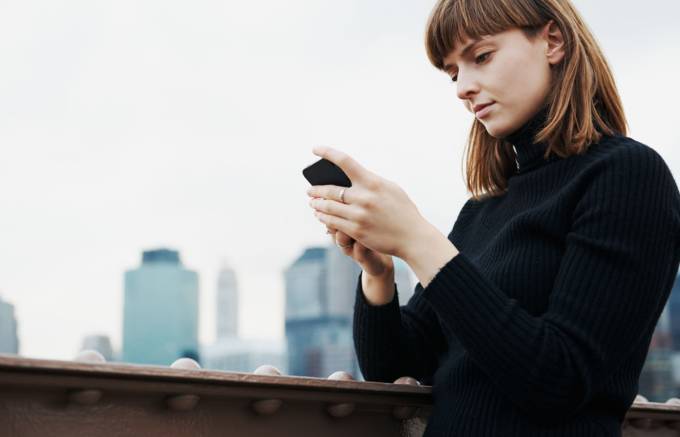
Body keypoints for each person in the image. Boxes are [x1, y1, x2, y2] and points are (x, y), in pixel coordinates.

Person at [305, 0, 680, 435]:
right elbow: (398, 368)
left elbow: (559, 381)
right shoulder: (482, 210)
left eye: (481, 57)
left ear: (552, 41)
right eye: (452, 73)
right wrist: (378, 271)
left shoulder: (628, 176)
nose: (463, 87)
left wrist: (418, 241)